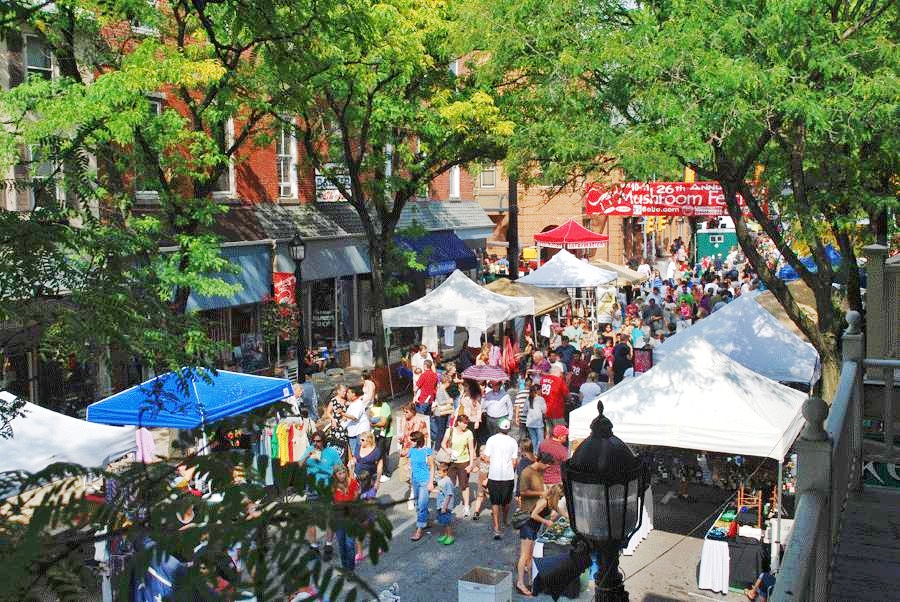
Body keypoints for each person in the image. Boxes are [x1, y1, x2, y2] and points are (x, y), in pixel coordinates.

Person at [515, 454, 553, 597]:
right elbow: (523, 492)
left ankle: (531, 581)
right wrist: (541, 493)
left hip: (536, 518)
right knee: (524, 555)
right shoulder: (527, 472)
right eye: (547, 466)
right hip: (528, 519)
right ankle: (520, 582)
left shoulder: (539, 471)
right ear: (542, 462)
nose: (547, 469)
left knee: (530, 554)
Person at [299, 429, 342, 557]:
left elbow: (339, 469)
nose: (316, 443)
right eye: (314, 441)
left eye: (318, 441)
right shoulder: (310, 449)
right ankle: (313, 546)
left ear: (324, 441)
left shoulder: (331, 453)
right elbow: (299, 465)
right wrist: (308, 455)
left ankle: (328, 544)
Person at [483, 418, 519, 540]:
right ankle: (505, 519)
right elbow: (515, 462)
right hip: (508, 475)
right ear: (508, 429)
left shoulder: (491, 440)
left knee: (495, 502)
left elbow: (487, 458)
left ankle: (497, 527)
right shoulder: (513, 441)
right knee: (506, 501)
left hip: (494, 474)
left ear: (498, 428)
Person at [440, 413, 476, 517]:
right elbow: (443, 443)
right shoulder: (450, 430)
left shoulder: (469, 433)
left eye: (466, 423)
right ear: (458, 422)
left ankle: (466, 506)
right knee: (450, 484)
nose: (465, 425)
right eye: (464, 423)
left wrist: (471, 464)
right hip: (451, 462)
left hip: (464, 462)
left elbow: (471, 449)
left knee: (464, 485)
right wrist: (448, 450)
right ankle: (447, 505)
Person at [398, 403, 430, 509]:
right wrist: (401, 439)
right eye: (404, 411)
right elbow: (403, 435)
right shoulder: (404, 421)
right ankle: (413, 487)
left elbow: (425, 437)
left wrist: (424, 453)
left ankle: (412, 496)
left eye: (406, 411)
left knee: (413, 473)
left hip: (416, 452)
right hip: (405, 450)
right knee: (403, 474)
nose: (405, 414)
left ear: (412, 411)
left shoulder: (420, 422)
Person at [405, 431, 434, 542]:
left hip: (425, 481)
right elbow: (408, 460)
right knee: (418, 504)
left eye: (412, 440)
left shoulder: (427, 451)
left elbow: (431, 467)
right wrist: (408, 466)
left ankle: (419, 530)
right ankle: (424, 522)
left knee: (421, 505)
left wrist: (431, 482)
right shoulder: (411, 450)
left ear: (418, 440)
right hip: (415, 481)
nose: (410, 441)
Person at [331, 463, 360, 571]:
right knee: (342, 546)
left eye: (344, 472)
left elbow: (356, 498)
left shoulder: (352, 483)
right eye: (339, 473)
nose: (342, 475)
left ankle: (350, 569)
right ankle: (344, 567)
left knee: (350, 545)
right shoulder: (333, 486)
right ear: (335, 475)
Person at [340, 387, 370, 458]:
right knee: (354, 454)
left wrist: (342, 414)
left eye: (348, 393)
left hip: (360, 432)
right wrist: (344, 418)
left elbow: (354, 417)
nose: (346, 394)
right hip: (352, 433)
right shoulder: (352, 404)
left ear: (354, 394)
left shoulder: (359, 403)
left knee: (363, 452)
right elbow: (348, 417)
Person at [370, 396, 394, 482]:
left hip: (385, 434)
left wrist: (372, 424)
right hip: (377, 432)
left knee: (383, 454)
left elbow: (383, 423)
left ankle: (386, 473)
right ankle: (381, 471)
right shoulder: (375, 406)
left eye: (376, 398)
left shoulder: (385, 406)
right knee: (379, 453)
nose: (374, 399)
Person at [539, 366, 569, 430]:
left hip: (544, 409)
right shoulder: (559, 380)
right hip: (556, 410)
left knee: (548, 432)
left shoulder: (542, 379)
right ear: (558, 372)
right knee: (560, 432)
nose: (561, 375)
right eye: (561, 373)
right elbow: (566, 394)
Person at [434, 462, 456, 545]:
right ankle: (446, 535)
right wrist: (433, 490)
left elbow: (449, 494)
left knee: (447, 522)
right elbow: (441, 490)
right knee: (443, 521)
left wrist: (444, 506)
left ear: (445, 472)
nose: (438, 474)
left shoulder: (448, 482)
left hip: (445, 506)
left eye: (439, 473)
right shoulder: (441, 480)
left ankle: (450, 536)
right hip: (441, 504)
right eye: (437, 472)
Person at [522, 384, 546, 452]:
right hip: (538, 423)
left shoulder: (527, 398)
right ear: (537, 391)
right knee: (540, 440)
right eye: (540, 390)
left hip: (529, 423)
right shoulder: (541, 399)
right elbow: (544, 411)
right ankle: (537, 453)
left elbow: (524, 410)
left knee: (533, 439)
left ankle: (534, 453)